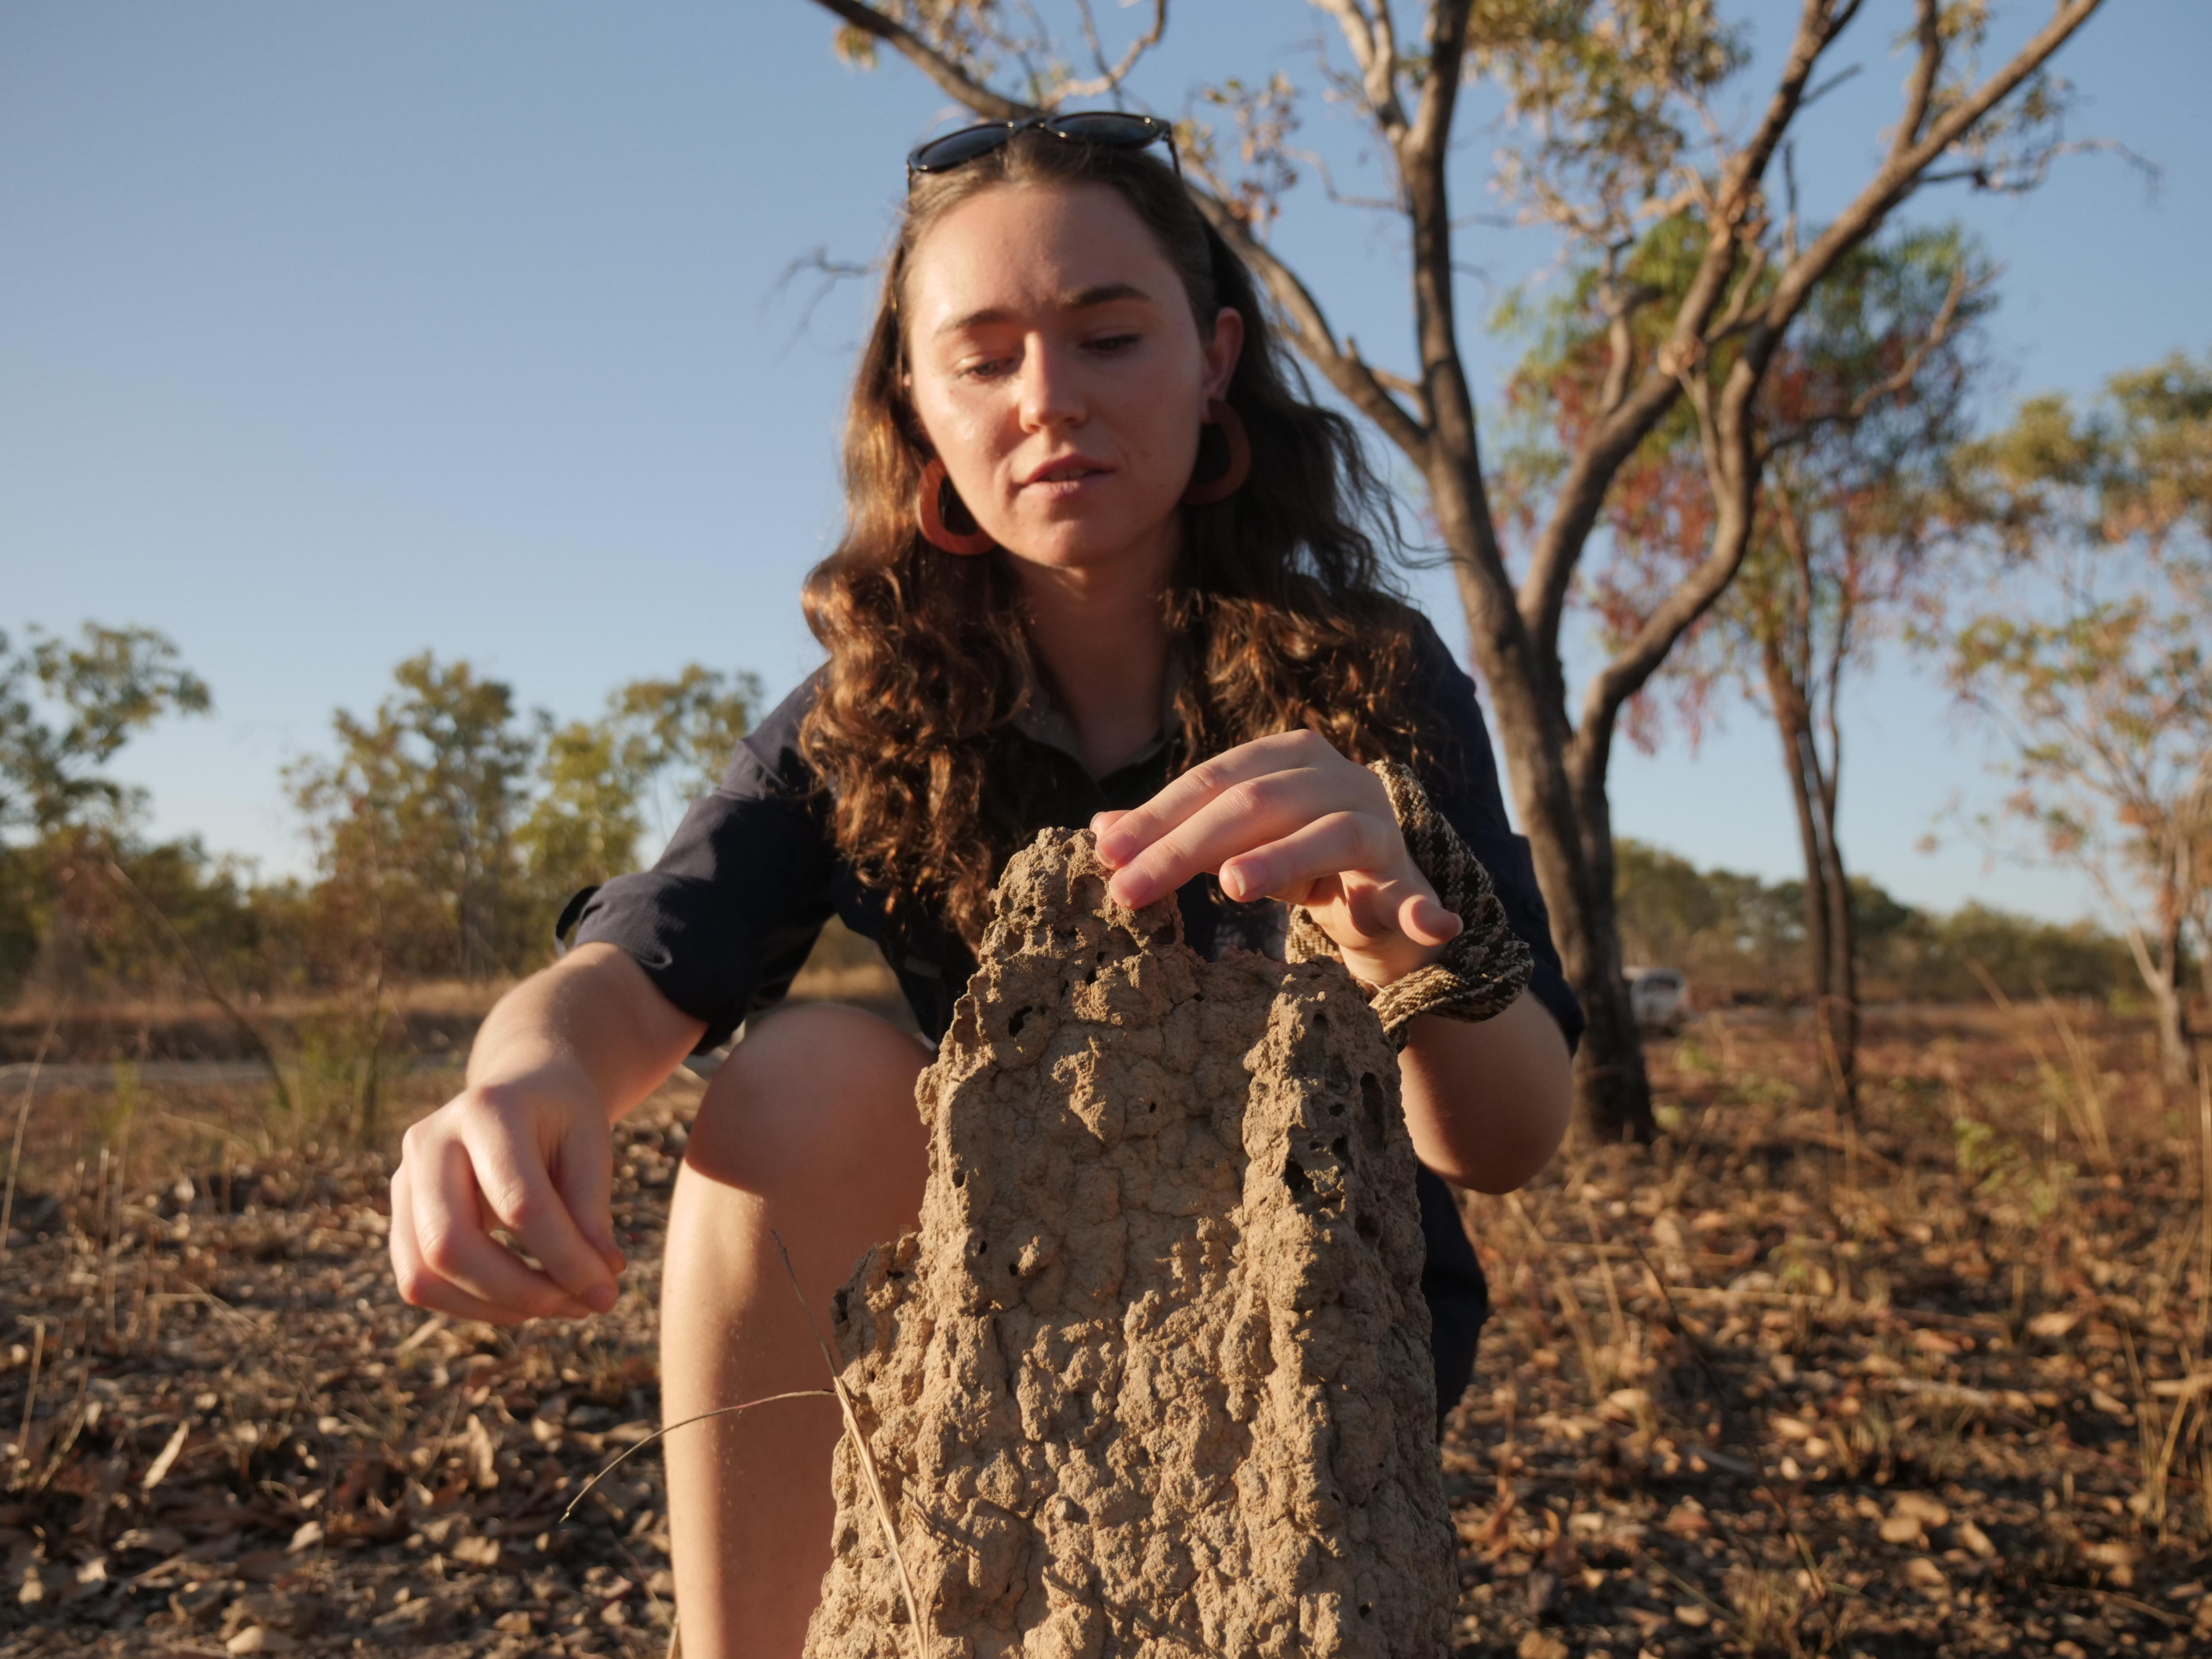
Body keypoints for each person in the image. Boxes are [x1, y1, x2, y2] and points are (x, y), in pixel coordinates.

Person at [386, 113, 1578, 1659]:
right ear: (916, 403)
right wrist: (517, 1079)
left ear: (1213, 361)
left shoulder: (1371, 681)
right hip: (1006, 1334)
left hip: (1307, 1382)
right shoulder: (872, 709)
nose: (1049, 401)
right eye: (986, 356)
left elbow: (1507, 1141)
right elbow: (641, 966)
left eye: (1108, 335)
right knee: (805, 1072)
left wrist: (1392, 918)